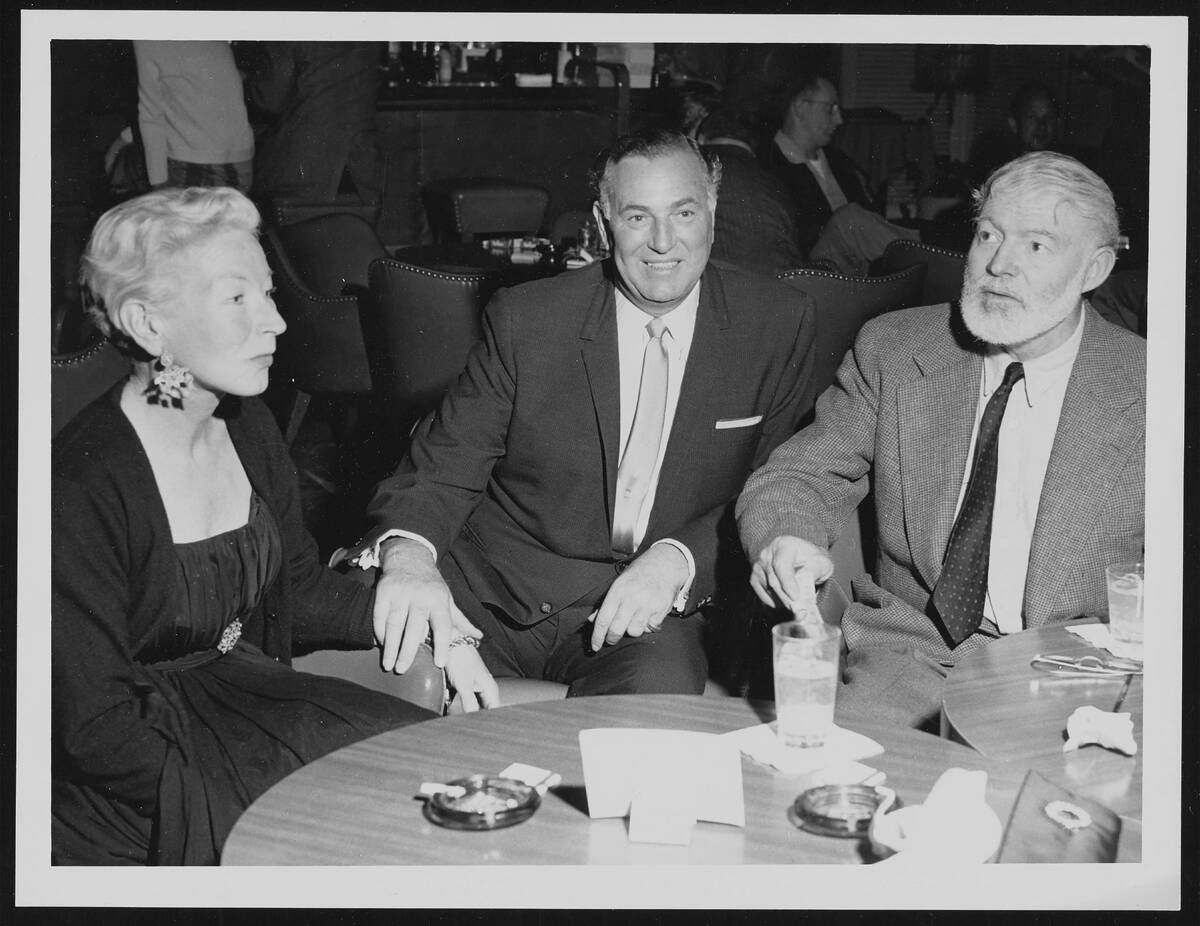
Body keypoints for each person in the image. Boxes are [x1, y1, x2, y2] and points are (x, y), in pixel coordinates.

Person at [52, 187, 496, 865]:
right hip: (139, 764)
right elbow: (93, 726)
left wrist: (425, 617)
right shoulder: (82, 486)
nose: (277, 324)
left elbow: (297, 587)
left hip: (246, 695)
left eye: (268, 294)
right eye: (238, 299)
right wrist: (254, 794)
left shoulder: (247, 425)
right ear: (147, 324)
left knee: (446, 781)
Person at [348, 129, 817, 699]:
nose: (664, 242)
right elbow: (444, 461)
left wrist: (679, 559)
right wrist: (409, 556)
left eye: (684, 212)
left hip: (646, 614)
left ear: (713, 211)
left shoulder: (776, 323)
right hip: (493, 593)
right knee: (372, 659)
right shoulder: (529, 320)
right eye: (638, 217)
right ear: (601, 222)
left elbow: (779, 484)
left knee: (654, 718)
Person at [736, 151, 1145, 731]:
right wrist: (785, 539)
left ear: (1095, 269)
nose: (999, 264)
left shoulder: (1154, 391)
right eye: (988, 235)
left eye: (1036, 246)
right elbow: (799, 475)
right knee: (827, 790)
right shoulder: (898, 350)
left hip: (1073, 675)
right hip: (910, 659)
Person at [763, 74, 918, 275]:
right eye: (831, 108)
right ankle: (935, 259)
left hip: (860, 267)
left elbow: (870, 218)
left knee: (853, 218)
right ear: (800, 107)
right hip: (813, 270)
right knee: (848, 218)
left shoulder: (840, 161)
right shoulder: (768, 166)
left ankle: (931, 256)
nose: (839, 119)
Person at [244, 41, 386, 209]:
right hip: (360, 170)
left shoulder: (288, 28)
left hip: (303, 170)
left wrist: (241, 80)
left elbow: (268, 99)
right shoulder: (364, 26)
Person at [133, 41, 256, 192]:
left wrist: (158, 184)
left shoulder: (148, 37)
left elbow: (151, 115)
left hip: (193, 161)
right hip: (238, 156)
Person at [696, 107, 806, 274]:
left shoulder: (695, 170)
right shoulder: (777, 183)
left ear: (701, 139)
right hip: (786, 286)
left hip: (724, 288)